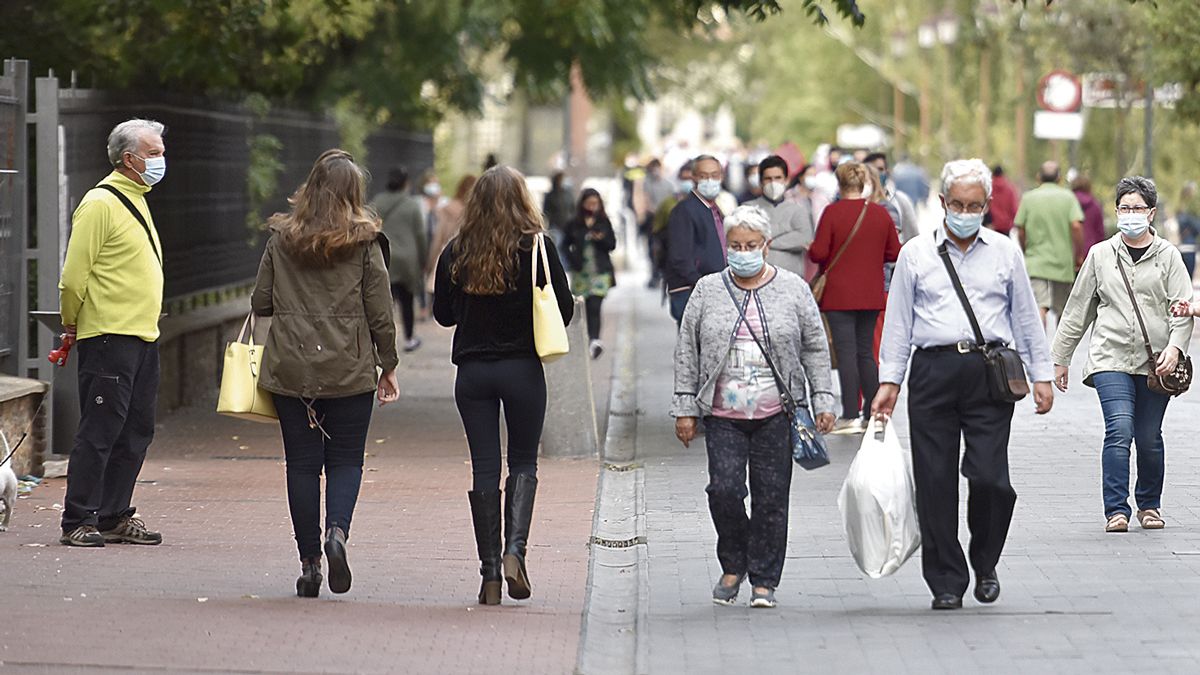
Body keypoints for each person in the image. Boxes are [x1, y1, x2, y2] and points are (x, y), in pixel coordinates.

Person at [873, 159, 1054, 611]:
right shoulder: (916, 253)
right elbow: (898, 323)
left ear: (987, 205)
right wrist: (890, 381)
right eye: (958, 204)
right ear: (942, 203)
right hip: (932, 373)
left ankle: (985, 560)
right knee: (934, 483)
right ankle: (946, 581)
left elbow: (1026, 317)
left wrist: (1042, 374)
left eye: (975, 205)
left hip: (989, 374)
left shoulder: (1004, 252)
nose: (966, 212)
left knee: (992, 480)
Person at [252, 149, 400, 597]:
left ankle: (309, 563)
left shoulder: (281, 238)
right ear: (354, 194)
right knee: (345, 460)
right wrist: (388, 365)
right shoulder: (366, 242)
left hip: (291, 368)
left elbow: (261, 301)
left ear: (310, 188)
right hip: (349, 369)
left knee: (300, 465)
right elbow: (380, 312)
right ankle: (337, 533)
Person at [672, 205, 836, 609]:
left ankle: (764, 578)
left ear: (766, 245)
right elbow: (686, 351)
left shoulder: (793, 288)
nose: (742, 252)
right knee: (723, 490)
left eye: (750, 245)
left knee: (771, 497)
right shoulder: (708, 289)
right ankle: (734, 560)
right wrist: (684, 408)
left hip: (776, 413)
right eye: (735, 245)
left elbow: (815, 346)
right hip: (723, 413)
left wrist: (822, 399)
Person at [433, 165, 573, 605]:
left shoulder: (458, 251)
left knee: (484, 469)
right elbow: (563, 310)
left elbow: (443, 314)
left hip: (473, 373)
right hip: (522, 370)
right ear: (522, 199)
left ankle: (490, 575)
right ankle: (515, 550)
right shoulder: (538, 249)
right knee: (525, 461)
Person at [1055, 176, 1192, 533]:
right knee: (1119, 429)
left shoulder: (1169, 257)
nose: (1131, 214)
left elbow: (1182, 309)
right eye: (1124, 208)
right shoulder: (1101, 255)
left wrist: (1176, 349)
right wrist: (1062, 357)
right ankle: (1116, 509)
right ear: (1116, 211)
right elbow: (1077, 308)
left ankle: (1149, 504)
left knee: (1148, 436)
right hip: (1109, 357)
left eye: (1138, 208)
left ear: (1152, 213)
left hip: (1156, 362)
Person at [58, 118, 168, 547]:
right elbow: (73, 277)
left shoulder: (138, 197)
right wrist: (71, 324)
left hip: (143, 335)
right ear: (130, 158)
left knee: (136, 430)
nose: (161, 160)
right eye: (154, 153)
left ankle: (113, 513)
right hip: (109, 336)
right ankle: (77, 519)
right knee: (100, 429)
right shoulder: (100, 203)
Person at [809, 162, 901, 433]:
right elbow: (894, 252)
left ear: (839, 183)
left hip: (838, 295)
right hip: (871, 293)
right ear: (864, 184)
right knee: (866, 353)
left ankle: (850, 414)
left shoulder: (831, 213)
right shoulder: (879, 214)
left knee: (846, 352)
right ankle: (872, 411)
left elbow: (818, 252)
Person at [1015, 161, 1085, 326]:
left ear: (1038, 177)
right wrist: (1078, 255)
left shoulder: (1028, 198)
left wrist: (1026, 249)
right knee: (1064, 310)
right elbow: (1076, 226)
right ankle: (1061, 351)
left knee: (1039, 306)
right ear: (1059, 178)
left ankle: (1040, 348)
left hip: (1036, 262)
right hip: (1063, 263)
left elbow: (1021, 229)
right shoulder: (1068, 197)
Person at [665, 154, 730, 324]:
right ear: (693, 177)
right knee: (695, 347)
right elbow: (679, 257)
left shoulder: (714, 208)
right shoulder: (685, 210)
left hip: (713, 290)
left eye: (715, 175)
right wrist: (701, 282)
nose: (710, 180)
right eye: (703, 176)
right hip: (693, 292)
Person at [370, 166, 428, 352]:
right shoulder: (411, 205)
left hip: (383, 256)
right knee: (407, 300)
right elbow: (420, 235)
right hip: (407, 260)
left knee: (384, 302)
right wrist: (423, 259)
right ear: (406, 183)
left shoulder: (377, 202)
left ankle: (380, 340)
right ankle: (409, 338)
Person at [564, 188, 617, 359]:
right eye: (589, 203)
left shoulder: (603, 222)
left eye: (595, 203)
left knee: (595, 305)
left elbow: (612, 244)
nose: (592, 207)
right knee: (582, 308)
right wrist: (572, 259)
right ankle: (584, 339)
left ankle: (595, 340)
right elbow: (565, 244)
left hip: (600, 271)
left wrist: (600, 238)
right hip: (581, 272)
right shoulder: (574, 223)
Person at [746, 155, 814, 279]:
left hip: (791, 280)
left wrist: (766, 241)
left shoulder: (798, 210)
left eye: (778, 178)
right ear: (761, 181)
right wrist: (788, 231)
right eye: (768, 178)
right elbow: (746, 239)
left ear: (786, 180)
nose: (773, 183)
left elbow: (804, 238)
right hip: (756, 280)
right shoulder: (748, 209)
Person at [651, 163, 693, 287]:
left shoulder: (706, 204)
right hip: (674, 265)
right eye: (684, 179)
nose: (687, 182)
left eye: (690, 179)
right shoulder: (668, 203)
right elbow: (657, 231)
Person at [428, 174, 477, 276]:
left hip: (444, 260)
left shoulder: (446, 210)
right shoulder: (475, 214)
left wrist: (430, 265)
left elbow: (437, 240)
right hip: (467, 265)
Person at [1071, 174, 1106, 254]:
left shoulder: (1068, 204)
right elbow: (1100, 232)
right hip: (1091, 249)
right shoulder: (1095, 205)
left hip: (1071, 250)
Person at [542, 171, 574, 251]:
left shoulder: (568, 194)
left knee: (566, 249)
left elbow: (573, 208)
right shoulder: (550, 195)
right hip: (555, 227)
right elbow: (546, 212)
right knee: (557, 248)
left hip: (568, 227)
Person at [1175, 182, 1199, 280]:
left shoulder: (1182, 211)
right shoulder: (1186, 213)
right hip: (1187, 245)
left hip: (1184, 244)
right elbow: (1197, 227)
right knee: (1188, 275)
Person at [986, 165, 1019, 235]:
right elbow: (1013, 207)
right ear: (1002, 174)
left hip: (991, 226)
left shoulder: (988, 188)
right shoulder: (1009, 188)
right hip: (1006, 226)